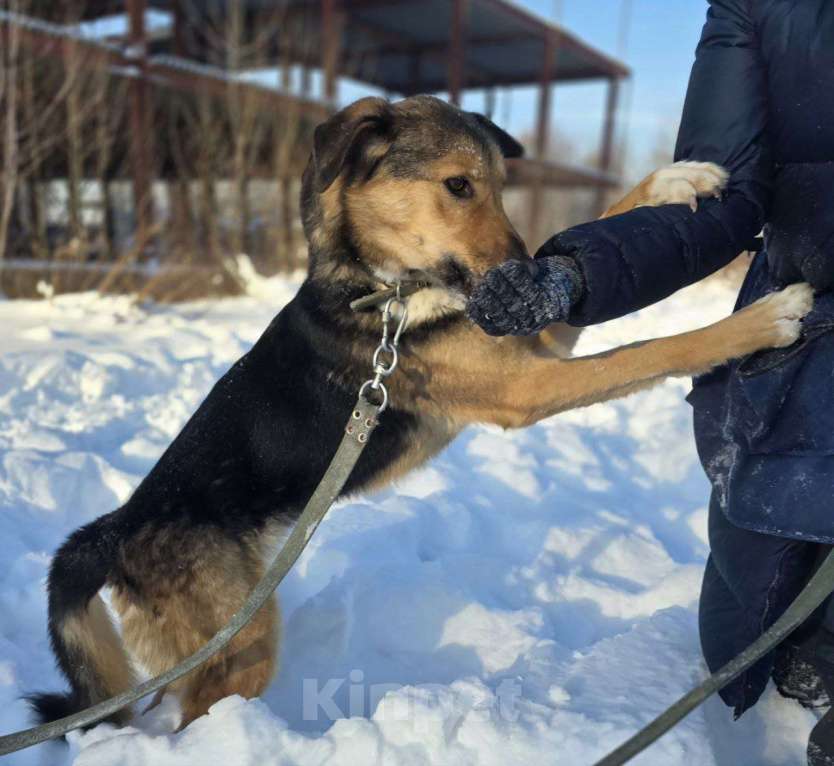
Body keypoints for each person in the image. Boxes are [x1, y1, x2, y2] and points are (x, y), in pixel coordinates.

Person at [466, 1, 834, 762]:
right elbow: (721, 195)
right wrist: (574, 274)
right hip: (808, 328)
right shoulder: (758, 7)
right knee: (748, 629)